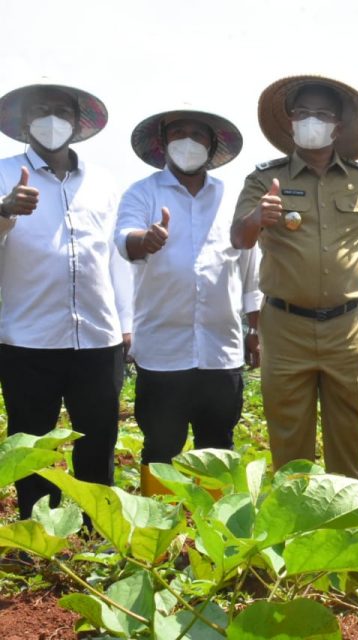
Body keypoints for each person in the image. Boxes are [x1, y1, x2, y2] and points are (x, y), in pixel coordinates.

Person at [231, 75, 358, 479]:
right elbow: (240, 238)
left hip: (347, 328)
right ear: (289, 123)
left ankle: (349, 530)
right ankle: (296, 534)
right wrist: (257, 217)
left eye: (322, 114)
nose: (311, 122)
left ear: (338, 125)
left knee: (350, 437)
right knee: (289, 441)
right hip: (285, 328)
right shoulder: (263, 180)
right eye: (303, 114)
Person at [0, 82, 132, 519]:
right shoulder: (2, 175)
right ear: (24, 123)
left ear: (77, 124)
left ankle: (101, 532)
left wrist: (125, 322)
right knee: (32, 444)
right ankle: (38, 531)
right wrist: (4, 212)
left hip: (98, 338)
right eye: (41, 110)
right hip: (27, 339)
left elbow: (115, 258)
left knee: (99, 440)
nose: (51, 119)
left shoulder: (103, 182)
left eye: (62, 111)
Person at [116, 108, 261, 496]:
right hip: (163, 352)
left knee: (217, 447)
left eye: (199, 134)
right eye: (179, 132)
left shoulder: (232, 198)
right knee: (160, 447)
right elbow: (123, 238)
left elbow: (250, 267)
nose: (188, 141)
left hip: (221, 351)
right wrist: (144, 240)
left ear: (213, 147)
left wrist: (256, 328)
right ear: (162, 143)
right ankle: (156, 538)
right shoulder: (143, 192)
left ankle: (213, 537)